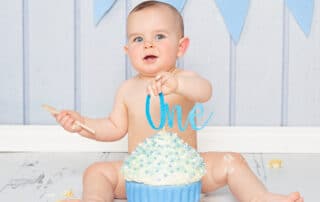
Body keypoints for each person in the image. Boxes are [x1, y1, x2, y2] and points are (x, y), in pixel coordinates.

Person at [55, 1, 303, 202]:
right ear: (127, 50)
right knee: (96, 172)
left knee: (232, 160)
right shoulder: (127, 89)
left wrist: (178, 85)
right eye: (138, 39)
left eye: (159, 36)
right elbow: (113, 127)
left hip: (189, 172)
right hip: (141, 175)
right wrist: (83, 125)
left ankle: (259, 197)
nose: (148, 44)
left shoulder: (183, 79)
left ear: (181, 47)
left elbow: (205, 91)